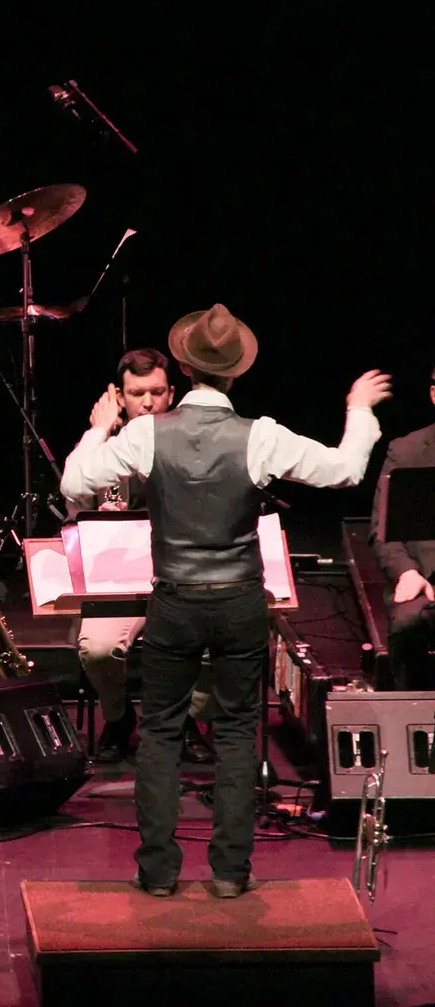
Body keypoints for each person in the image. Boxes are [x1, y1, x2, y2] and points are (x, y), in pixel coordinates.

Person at [59, 304, 389, 898]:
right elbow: (345, 470)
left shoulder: (145, 432)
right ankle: (232, 875)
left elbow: (73, 483)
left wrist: (98, 427)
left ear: (182, 370)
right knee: (238, 733)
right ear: (235, 375)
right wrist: (359, 410)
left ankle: (158, 874)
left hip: (175, 601)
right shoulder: (260, 435)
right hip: (239, 602)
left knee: (159, 734)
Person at [70, 348, 214, 765]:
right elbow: (73, 501)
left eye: (155, 392)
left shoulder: (194, 445)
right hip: (118, 576)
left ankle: (187, 720)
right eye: (136, 393)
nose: (147, 403)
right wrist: (97, 433)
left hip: (181, 574)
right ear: (119, 396)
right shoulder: (101, 450)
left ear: (173, 393)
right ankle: (118, 720)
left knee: (218, 637)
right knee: (97, 649)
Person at [369, 365, 435, 690]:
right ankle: (416, 724)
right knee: (407, 624)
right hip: (422, 579)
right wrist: (408, 573)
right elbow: (382, 531)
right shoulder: (405, 451)